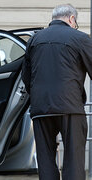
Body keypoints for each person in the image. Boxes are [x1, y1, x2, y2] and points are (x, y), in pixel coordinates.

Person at [22, 4, 92, 180]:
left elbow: (26, 76)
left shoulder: (34, 40)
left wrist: (37, 97)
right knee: (73, 158)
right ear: (72, 19)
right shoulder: (80, 38)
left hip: (40, 109)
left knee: (45, 158)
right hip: (70, 107)